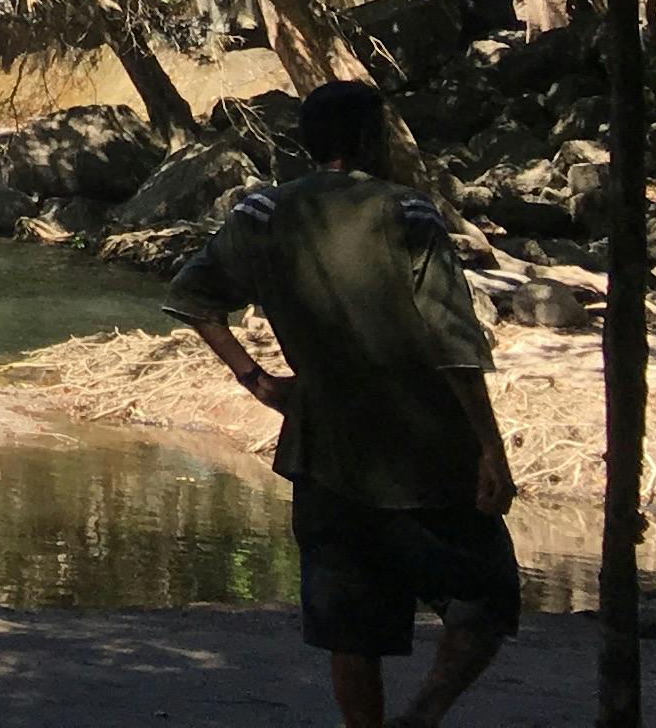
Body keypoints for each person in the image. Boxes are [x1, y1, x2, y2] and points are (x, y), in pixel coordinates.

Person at [171, 75, 521, 728]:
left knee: (351, 628)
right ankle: (422, 714)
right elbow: (455, 346)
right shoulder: (406, 213)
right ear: (368, 140)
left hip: (323, 453)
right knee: (489, 596)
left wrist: (257, 380)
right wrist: (491, 452)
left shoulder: (262, 213)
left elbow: (195, 298)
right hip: (427, 453)